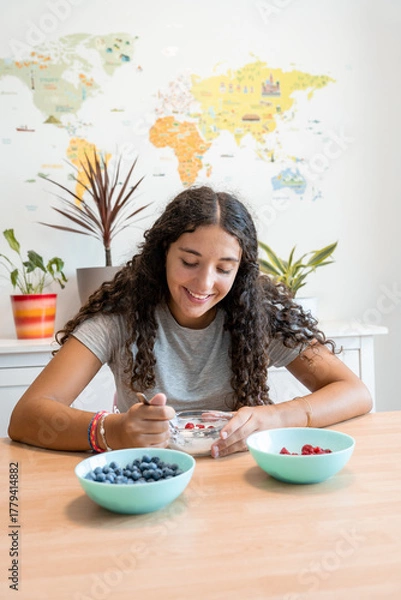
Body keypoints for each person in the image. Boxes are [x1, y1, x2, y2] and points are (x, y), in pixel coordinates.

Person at [8, 186, 372, 458]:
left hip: (241, 479)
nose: (204, 283)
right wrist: (115, 430)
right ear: (162, 253)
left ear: (240, 271)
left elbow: (355, 392)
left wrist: (276, 417)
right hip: (150, 478)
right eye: (189, 261)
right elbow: (26, 416)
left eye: (224, 269)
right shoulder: (120, 316)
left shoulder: (258, 315)